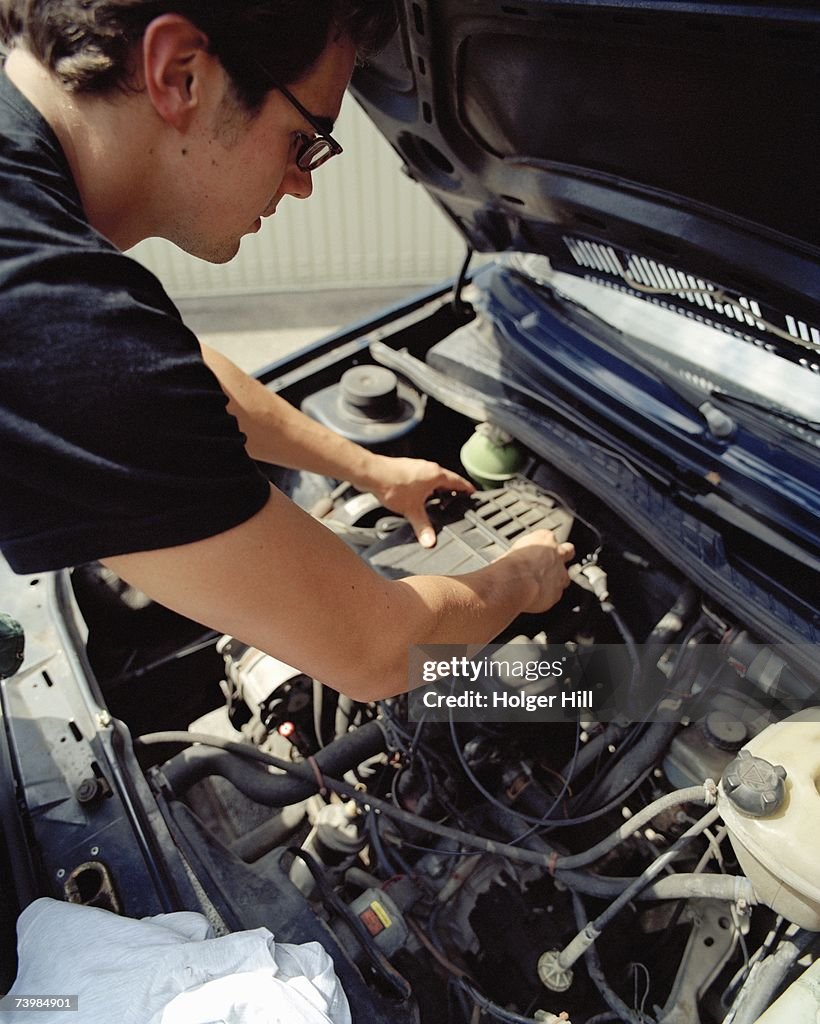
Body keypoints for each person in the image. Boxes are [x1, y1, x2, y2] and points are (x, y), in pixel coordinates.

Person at [0, 0, 574, 701]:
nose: (303, 183)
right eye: (307, 139)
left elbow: (171, 374)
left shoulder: (43, 241)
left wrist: (373, 471)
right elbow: (377, 654)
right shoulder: (51, 316)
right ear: (181, 73)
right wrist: (523, 578)